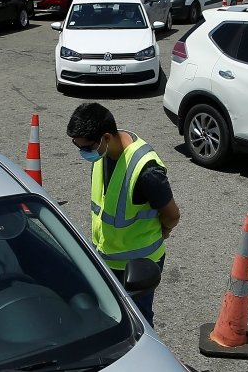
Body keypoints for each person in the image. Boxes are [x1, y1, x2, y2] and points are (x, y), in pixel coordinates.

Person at [66, 102, 180, 326]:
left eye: (86, 147)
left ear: (106, 138)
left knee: (138, 322)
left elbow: (172, 215)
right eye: (77, 146)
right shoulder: (103, 154)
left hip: (138, 267)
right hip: (107, 258)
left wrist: (162, 232)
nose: (83, 153)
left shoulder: (146, 170)